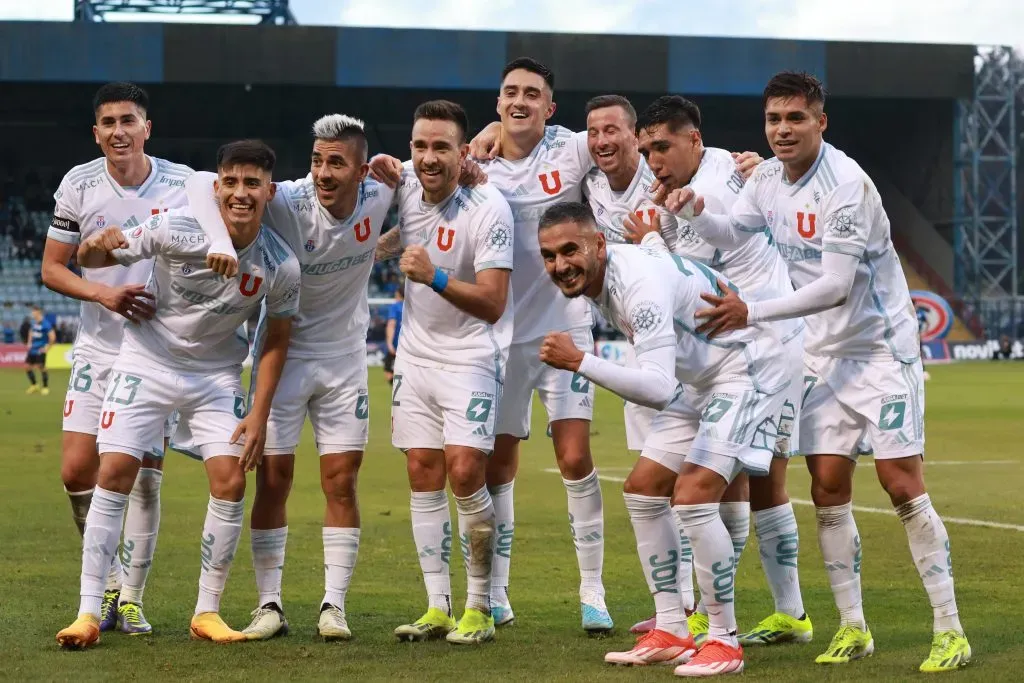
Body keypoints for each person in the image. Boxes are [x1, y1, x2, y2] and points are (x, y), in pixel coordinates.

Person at [668, 71, 970, 672]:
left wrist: (750, 310)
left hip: (882, 351)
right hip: (822, 356)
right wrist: (697, 210)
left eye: (795, 119)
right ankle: (853, 629)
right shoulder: (768, 181)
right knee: (827, 487)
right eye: (774, 119)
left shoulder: (847, 185)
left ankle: (950, 629)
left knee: (901, 484)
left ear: (820, 122)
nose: (782, 130)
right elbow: (734, 233)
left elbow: (834, 288)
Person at [371, 58, 610, 631]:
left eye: (533, 93)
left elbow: (616, 142)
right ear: (497, 103)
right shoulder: (472, 161)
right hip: (500, 339)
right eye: (510, 93)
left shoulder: (571, 149)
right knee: (495, 466)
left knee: (574, 456)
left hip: (564, 324)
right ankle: (495, 593)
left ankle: (593, 591)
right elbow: (420, 192)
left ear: (550, 109)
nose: (520, 100)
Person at [55, 139, 300, 649]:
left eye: (252, 183)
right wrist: (101, 242)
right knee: (115, 471)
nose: (239, 193)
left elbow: (276, 340)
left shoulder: (279, 264)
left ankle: (206, 611)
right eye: (230, 181)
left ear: (268, 191)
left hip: (215, 377)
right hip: (146, 360)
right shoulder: (177, 225)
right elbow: (91, 255)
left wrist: (258, 412)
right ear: (216, 186)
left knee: (230, 481)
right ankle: (87, 612)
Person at [536, 201, 790, 676]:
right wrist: (653, 235)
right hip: (703, 381)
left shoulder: (638, 288)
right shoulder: (612, 273)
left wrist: (580, 362)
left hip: (749, 370)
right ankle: (672, 627)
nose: (560, 265)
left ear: (599, 244)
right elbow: (657, 262)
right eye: (549, 256)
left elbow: (657, 387)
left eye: (570, 250)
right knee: (643, 491)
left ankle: (723, 640)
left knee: (692, 499)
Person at [187, 115, 395, 642]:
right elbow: (198, 186)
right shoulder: (285, 199)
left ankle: (334, 606)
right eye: (317, 160)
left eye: (336, 163)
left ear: (362, 169)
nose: (323, 173)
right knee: (273, 481)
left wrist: (474, 160)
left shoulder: (385, 188)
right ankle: (269, 605)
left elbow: (449, 161)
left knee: (341, 481)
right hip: (282, 355)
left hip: (346, 359)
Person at [617, 95, 811, 647]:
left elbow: (686, 276)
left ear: (694, 141)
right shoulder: (709, 172)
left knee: (748, 482)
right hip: (730, 352)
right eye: (647, 149)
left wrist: (652, 237)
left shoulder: (721, 187)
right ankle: (745, 611)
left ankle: (730, 614)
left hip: (763, 350)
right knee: (742, 482)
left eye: (663, 147)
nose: (654, 160)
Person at [41, 82, 224, 635]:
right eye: (108, 123)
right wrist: (103, 293)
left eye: (129, 120)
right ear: (95, 133)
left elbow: (249, 200)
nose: (118, 131)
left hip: (155, 350)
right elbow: (53, 268)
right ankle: (113, 577)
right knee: (77, 469)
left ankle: (131, 600)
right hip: (99, 344)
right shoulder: (79, 183)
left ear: (148, 128)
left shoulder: (184, 184)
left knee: (143, 475)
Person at [381, 100, 514, 645]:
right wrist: (375, 246)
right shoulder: (405, 182)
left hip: (471, 357)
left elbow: (493, 302)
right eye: (419, 147)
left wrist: (432, 275)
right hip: (414, 356)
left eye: (441, 148)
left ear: (464, 153)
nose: (428, 159)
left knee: (465, 472)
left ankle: (481, 606)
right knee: (421, 473)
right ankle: (437, 605)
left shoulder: (489, 207)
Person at [25, 305, 55, 395]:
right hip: (33, 349)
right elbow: (31, 331)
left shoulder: (46, 324)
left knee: (41, 367)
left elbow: (52, 337)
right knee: (27, 367)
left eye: (33, 312)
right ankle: (34, 385)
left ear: (38, 312)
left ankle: (45, 387)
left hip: (40, 349)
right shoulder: (34, 323)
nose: (32, 313)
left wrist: (47, 347)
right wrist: (29, 342)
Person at [384, 281, 404, 385]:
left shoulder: (395, 306)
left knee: (389, 374)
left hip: (396, 346)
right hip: (408, 346)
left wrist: (389, 344)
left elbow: (391, 324)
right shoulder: (411, 306)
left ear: (398, 293)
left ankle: (399, 396)